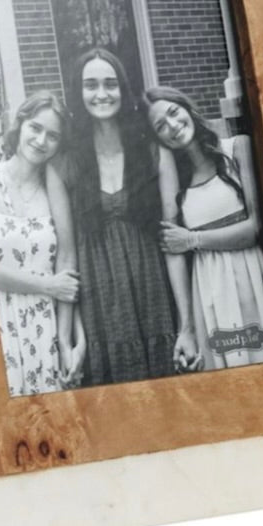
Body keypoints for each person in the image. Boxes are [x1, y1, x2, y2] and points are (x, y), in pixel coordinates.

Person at [63, 48, 200, 386]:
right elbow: (66, 260)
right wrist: (69, 339)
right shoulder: (66, 163)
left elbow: (172, 243)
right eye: (91, 85)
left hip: (155, 298)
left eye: (110, 84)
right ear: (78, 93)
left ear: (123, 90)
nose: (102, 93)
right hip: (98, 309)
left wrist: (187, 327)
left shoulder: (154, 152)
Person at [144, 86, 263, 369]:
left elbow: (255, 228)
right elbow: (172, 247)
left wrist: (192, 239)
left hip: (251, 275)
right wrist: (186, 328)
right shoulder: (176, 183)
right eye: (160, 126)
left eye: (173, 112)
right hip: (208, 288)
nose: (172, 125)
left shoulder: (237, 148)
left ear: (187, 108)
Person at [0, 91, 85, 396]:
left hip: (44, 324)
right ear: (20, 124)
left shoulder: (54, 188)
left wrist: (67, 340)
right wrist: (48, 286)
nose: (41, 140)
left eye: (53, 136)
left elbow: (66, 265)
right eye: (35, 128)